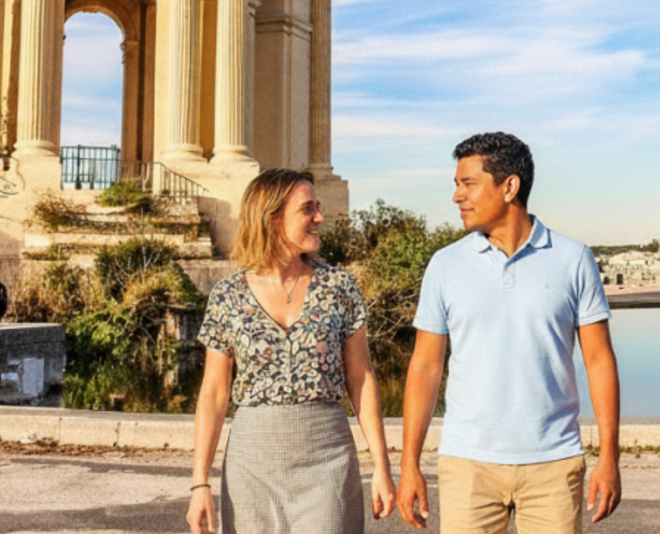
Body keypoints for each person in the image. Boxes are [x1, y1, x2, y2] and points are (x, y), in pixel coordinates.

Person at [398, 132, 621, 533]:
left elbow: (599, 360)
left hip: (554, 462)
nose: (456, 196)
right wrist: (409, 464)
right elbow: (425, 367)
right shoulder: (445, 265)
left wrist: (609, 457)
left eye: (468, 184)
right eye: (456, 185)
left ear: (509, 187)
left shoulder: (573, 259)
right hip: (468, 464)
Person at [187, 169, 396, 534]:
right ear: (272, 219)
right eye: (308, 209)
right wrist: (200, 482)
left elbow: (360, 378)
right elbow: (214, 392)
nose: (320, 217)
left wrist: (381, 466)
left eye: (318, 207)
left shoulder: (338, 286)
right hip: (251, 467)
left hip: (327, 460)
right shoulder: (227, 295)